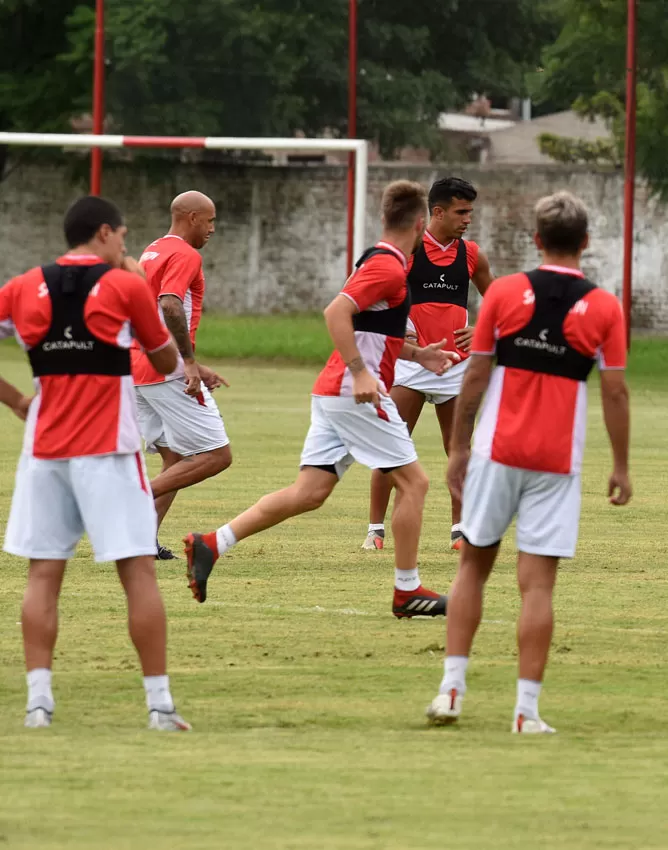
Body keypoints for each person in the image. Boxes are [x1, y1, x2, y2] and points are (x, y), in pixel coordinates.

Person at [182, 181, 458, 617]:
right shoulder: (387, 267)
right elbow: (336, 313)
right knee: (416, 483)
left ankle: (212, 544)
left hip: (335, 393)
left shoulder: (380, 259)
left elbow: (370, 329)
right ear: (421, 224)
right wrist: (361, 371)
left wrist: (417, 353)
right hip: (355, 393)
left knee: (309, 493)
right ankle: (408, 591)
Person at [425, 191, 631, 733]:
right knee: (537, 586)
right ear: (586, 243)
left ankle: (451, 688)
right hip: (556, 458)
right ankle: (526, 711)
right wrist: (621, 465)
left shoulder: (507, 292)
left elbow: (474, 376)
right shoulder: (606, 307)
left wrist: (461, 448)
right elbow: (615, 394)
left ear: (536, 240)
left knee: (472, 565)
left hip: (497, 450)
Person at [1, 196, 191, 730]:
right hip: (108, 452)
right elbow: (165, 361)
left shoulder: (21, 286)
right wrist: (134, 281)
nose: (128, 248)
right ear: (104, 233)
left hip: (44, 452)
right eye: (125, 238)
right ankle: (159, 706)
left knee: (43, 573)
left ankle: (38, 704)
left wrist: (17, 400)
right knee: (138, 572)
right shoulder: (125, 284)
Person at [365, 177, 494, 553]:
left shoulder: (470, 254)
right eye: (461, 212)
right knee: (392, 445)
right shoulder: (409, 250)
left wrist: (483, 328)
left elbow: (500, 299)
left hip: (456, 367)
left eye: (470, 211)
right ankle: (375, 530)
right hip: (411, 366)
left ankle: (461, 530)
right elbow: (378, 298)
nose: (468, 219)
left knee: (459, 449)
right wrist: (397, 333)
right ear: (436, 212)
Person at [132, 191, 233, 560]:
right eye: (209, 220)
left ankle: (142, 541)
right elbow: (170, 304)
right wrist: (188, 362)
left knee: (175, 457)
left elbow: (150, 315)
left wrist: (192, 362)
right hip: (164, 371)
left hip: (140, 365)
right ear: (191, 217)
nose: (212, 229)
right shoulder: (186, 254)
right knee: (216, 456)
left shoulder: (152, 250)